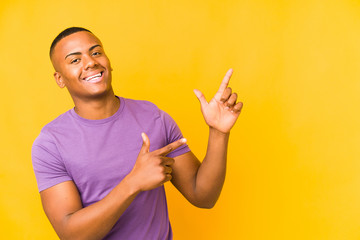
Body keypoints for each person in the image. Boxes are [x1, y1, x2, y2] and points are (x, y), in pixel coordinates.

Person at [32, 27, 243, 240]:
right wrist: (133, 183)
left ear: (108, 61)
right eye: (75, 60)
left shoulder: (153, 117)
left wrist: (218, 132)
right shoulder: (51, 143)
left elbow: (203, 196)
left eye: (96, 53)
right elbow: (71, 235)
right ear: (60, 79)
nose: (90, 62)